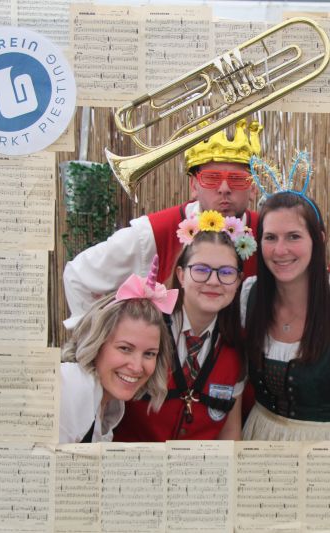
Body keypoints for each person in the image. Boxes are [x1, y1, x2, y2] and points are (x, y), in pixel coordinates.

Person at [63, 119, 262, 329]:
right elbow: (78, 276)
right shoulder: (153, 233)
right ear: (194, 186)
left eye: (237, 179)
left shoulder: (269, 235)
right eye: (211, 178)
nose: (224, 188)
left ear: (253, 188)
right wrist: (100, 340)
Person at [241, 190, 330, 441]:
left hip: (325, 450)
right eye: (270, 237)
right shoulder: (249, 295)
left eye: (294, 236)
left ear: (319, 239)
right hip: (258, 439)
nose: (280, 250)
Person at [114, 212, 257, 441]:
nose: (213, 281)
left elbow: (230, 433)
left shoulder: (236, 348)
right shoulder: (142, 327)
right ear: (181, 275)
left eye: (226, 272)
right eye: (201, 270)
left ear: (238, 281)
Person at [59, 263, 177, 444]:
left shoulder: (111, 404)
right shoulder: (71, 385)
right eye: (125, 348)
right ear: (97, 343)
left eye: (149, 354)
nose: (136, 367)